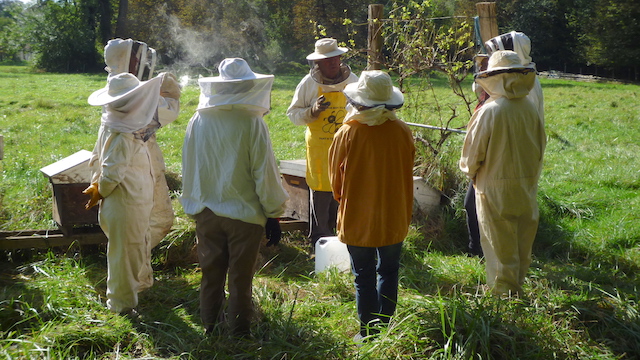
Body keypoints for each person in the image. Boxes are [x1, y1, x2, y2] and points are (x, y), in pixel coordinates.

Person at [180, 58, 289, 336]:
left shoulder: (198, 119)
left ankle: (210, 330)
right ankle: (239, 336)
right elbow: (264, 173)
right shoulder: (252, 122)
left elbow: (189, 165)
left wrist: (193, 204)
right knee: (241, 279)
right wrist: (274, 213)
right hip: (245, 215)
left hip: (206, 211)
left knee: (210, 275)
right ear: (248, 86)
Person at [328, 70, 415, 341]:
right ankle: (386, 329)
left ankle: (367, 333)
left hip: (358, 215)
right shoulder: (401, 130)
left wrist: (343, 199)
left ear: (360, 101)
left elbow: (335, 179)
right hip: (394, 212)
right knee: (388, 271)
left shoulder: (348, 132)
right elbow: (408, 167)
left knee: (363, 275)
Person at [459, 50, 546, 297]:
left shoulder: (489, 110)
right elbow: (540, 148)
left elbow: (471, 158)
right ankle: (516, 292)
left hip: (493, 189)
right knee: (520, 244)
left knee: (499, 247)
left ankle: (503, 303)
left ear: (494, 77)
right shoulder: (530, 108)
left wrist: (471, 173)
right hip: (526, 186)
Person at [84, 71, 165, 316]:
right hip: (125, 205)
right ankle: (121, 306)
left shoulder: (116, 123)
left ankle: (137, 288)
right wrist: (100, 190)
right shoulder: (122, 132)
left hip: (131, 203)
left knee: (135, 249)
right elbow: (111, 173)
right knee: (124, 258)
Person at [100, 38, 181, 249]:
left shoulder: (117, 85)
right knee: (155, 221)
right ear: (127, 59)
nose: (142, 63)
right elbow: (168, 111)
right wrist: (171, 90)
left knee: (140, 226)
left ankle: (137, 263)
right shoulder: (129, 91)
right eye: (137, 58)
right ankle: (136, 263)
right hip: (136, 171)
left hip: (126, 166)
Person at [287, 38, 358, 245]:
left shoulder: (352, 80)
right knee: (320, 191)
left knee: (343, 190)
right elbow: (292, 115)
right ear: (318, 63)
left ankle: (342, 236)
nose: (333, 63)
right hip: (319, 146)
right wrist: (312, 111)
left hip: (346, 146)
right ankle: (319, 238)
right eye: (328, 60)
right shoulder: (308, 84)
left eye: (336, 58)